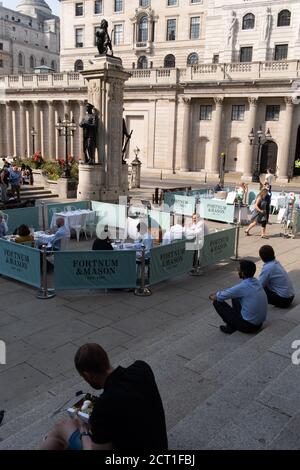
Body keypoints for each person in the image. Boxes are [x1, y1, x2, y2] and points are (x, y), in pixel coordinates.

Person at [40, 343, 168, 451]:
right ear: (106, 358)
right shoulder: (142, 368)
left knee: (60, 428)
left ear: (87, 375)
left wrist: (83, 430)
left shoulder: (103, 406)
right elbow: (126, 398)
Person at [209, 259, 267, 334]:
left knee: (217, 302)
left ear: (242, 273)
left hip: (248, 326)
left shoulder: (243, 286)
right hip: (259, 324)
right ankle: (235, 322)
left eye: (238, 269)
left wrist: (212, 296)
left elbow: (220, 296)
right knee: (235, 297)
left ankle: (231, 327)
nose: (237, 271)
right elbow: (231, 293)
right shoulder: (257, 282)